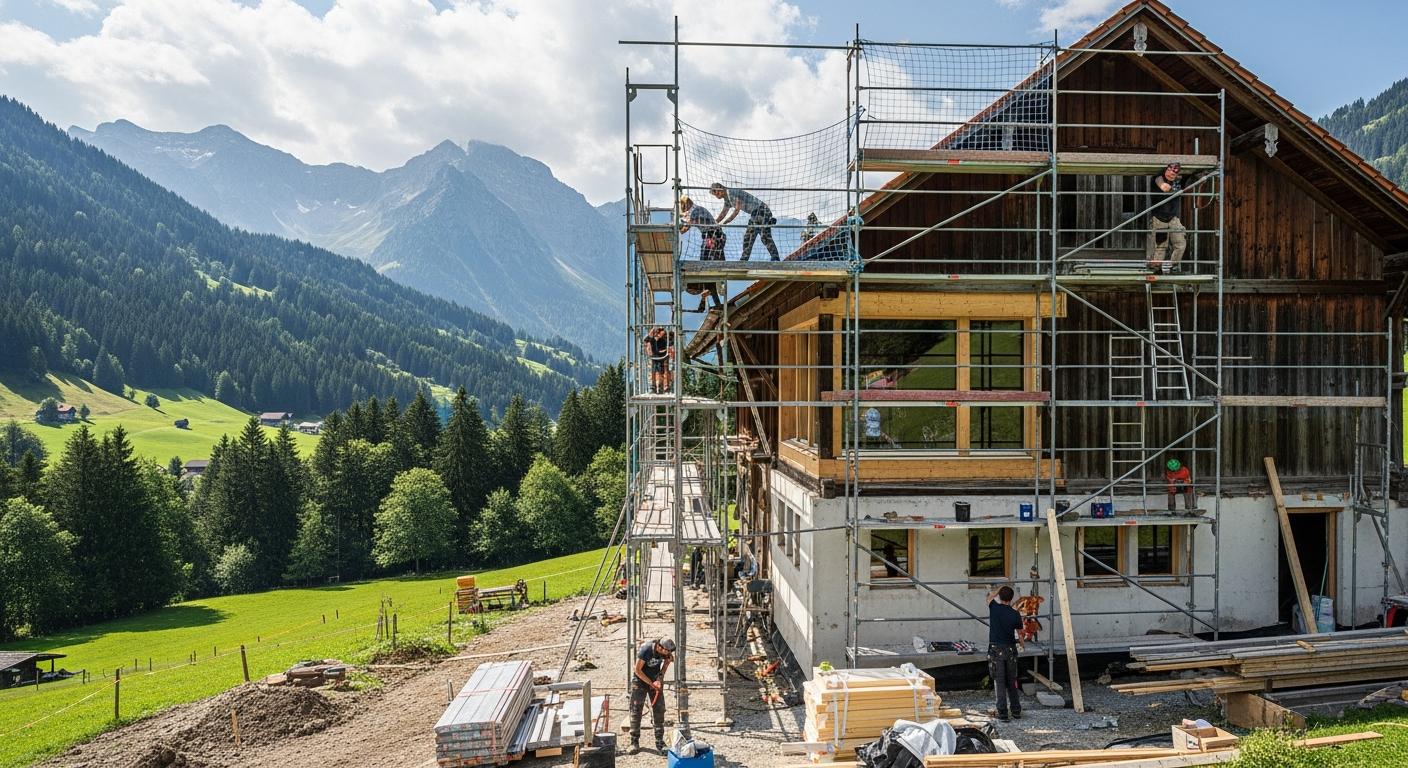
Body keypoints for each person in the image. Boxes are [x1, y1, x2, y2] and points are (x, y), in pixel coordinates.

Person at [711, 182, 780, 261]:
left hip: (760, 210)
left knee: (756, 235)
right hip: (758, 212)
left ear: (720, 189)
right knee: (757, 236)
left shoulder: (730, 192)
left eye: (716, 193)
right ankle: (773, 257)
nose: (716, 196)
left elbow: (737, 209)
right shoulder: (727, 199)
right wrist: (714, 222)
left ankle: (745, 260)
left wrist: (727, 220)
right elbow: (723, 213)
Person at [629, 637, 675, 754]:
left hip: (655, 679)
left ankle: (659, 741)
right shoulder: (646, 650)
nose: (668, 653)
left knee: (659, 709)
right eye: (666, 651)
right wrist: (650, 683)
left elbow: (665, 666)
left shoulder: (665, 653)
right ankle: (634, 741)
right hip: (640, 679)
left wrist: (660, 678)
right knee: (636, 709)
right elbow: (637, 669)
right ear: (659, 647)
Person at [678, 196, 725, 311]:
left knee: (705, 267)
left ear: (686, 205)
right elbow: (687, 220)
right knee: (707, 273)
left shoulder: (695, 211)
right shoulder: (697, 210)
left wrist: (676, 227)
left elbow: (686, 228)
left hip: (712, 237)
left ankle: (717, 302)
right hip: (713, 236)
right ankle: (717, 304)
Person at [986, 585, 1024, 722]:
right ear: (1011, 598)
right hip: (1010, 650)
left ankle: (1002, 712)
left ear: (1000, 597)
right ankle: (1016, 710)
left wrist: (999, 588)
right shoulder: (1015, 614)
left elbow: (989, 597)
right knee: (1012, 681)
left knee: (999, 681)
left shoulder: (994, 608)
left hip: (996, 650)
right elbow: (1020, 634)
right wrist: (1022, 645)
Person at [1149, 161, 1187, 272]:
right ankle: (1156, 268)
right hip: (1159, 218)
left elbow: (1194, 176)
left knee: (1180, 243)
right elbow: (1164, 187)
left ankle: (1173, 266)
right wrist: (1173, 187)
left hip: (1173, 218)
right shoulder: (1157, 178)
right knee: (1161, 246)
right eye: (1169, 171)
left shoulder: (1180, 180)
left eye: (1174, 173)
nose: (1171, 174)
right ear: (1166, 169)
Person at [642, 326, 673, 394]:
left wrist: (666, 351)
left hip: (663, 358)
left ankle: (664, 387)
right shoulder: (652, 339)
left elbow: (671, 343)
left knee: (664, 372)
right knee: (653, 372)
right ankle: (653, 387)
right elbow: (645, 341)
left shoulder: (665, 339)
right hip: (655, 358)